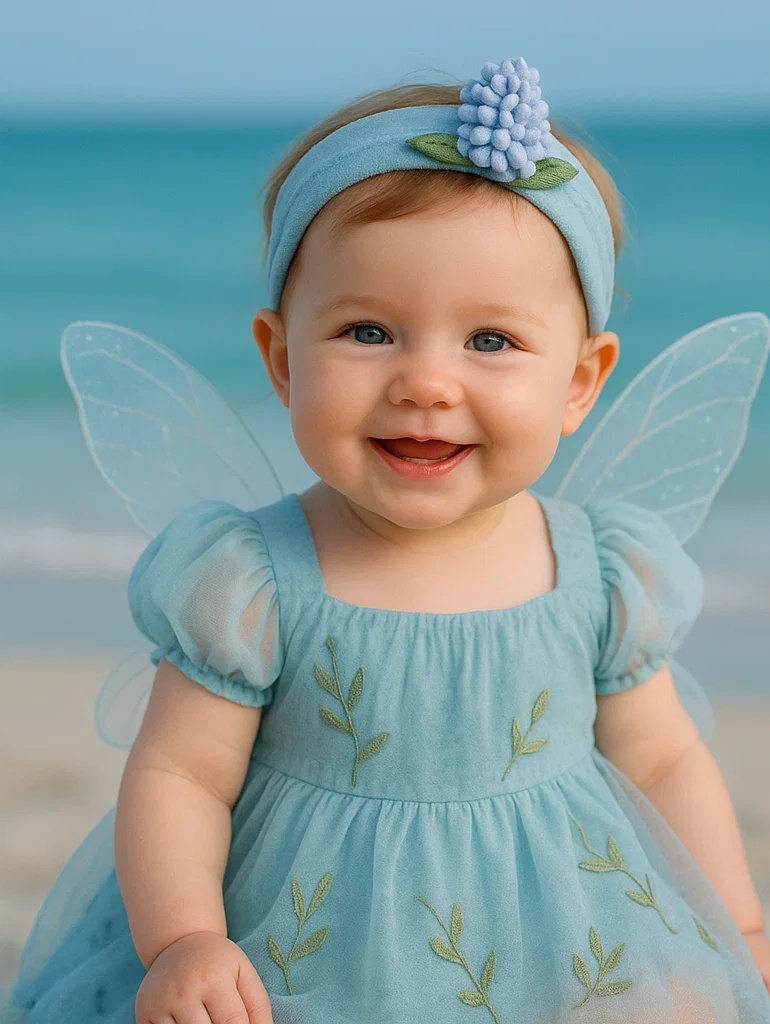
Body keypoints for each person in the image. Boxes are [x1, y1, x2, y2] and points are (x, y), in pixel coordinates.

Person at [4, 56, 770, 1024]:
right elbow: (179, 772)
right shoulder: (252, 582)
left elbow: (660, 760)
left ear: (579, 382)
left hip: (560, 935)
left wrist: (735, 926)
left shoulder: (599, 574)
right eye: (368, 332)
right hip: (304, 946)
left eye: (489, 341)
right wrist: (185, 938)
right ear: (282, 359)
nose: (425, 382)